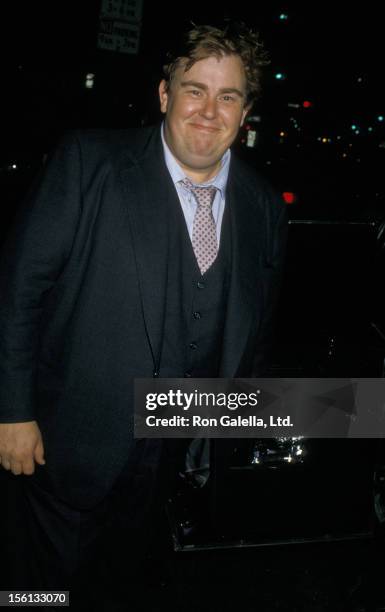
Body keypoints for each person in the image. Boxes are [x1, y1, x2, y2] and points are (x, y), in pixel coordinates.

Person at [0, 22, 287, 608]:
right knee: (38, 592)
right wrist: (11, 411)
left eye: (228, 95)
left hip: (173, 460)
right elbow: (17, 290)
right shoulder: (90, 161)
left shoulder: (264, 206)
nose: (209, 111)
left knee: (122, 587)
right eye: (194, 90)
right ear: (164, 94)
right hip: (66, 444)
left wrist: (230, 438)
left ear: (246, 110)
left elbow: (254, 335)